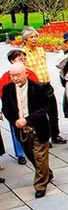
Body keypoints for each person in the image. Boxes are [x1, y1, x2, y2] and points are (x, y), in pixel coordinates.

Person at [2, 63, 54, 198]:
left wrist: (28, 119)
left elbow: (44, 109)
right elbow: (6, 109)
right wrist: (15, 121)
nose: (15, 78)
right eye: (12, 76)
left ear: (26, 74)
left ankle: (40, 185)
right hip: (21, 130)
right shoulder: (7, 89)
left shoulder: (39, 88)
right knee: (30, 155)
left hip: (38, 127)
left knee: (40, 155)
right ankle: (46, 172)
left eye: (18, 75)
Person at [21, 27, 66, 144]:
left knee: (53, 112)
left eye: (36, 36)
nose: (35, 39)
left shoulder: (41, 50)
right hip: (35, 87)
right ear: (25, 40)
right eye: (31, 37)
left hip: (47, 85)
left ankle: (55, 135)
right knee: (40, 114)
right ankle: (43, 137)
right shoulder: (22, 54)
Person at [0, 50, 38, 164]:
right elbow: (2, 93)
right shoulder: (7, 76)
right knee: (16, 130)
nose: (22, 59)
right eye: (19, 57)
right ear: (12, 61)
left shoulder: (30, 73)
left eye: (23, 57)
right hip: (15, 110)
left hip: (30, 108)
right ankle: (20, 153)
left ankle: (34, 148)